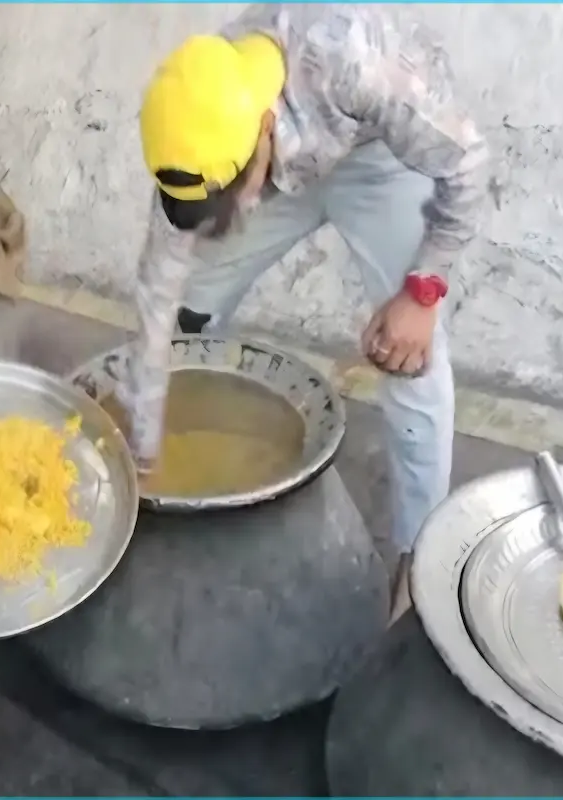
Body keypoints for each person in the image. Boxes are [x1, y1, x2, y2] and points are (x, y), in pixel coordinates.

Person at [121, 5, 488, 617]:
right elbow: (158, 293)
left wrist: (424, 292)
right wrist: (143, 447)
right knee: (192, 308)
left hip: (380, 157)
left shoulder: (363, 60)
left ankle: (419, 560)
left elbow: (469, 164)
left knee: (412, 359)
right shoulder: (196, 116)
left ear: (262, 135)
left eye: (219, 201)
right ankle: (202, 466)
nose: (208, 218)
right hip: (281, 173)